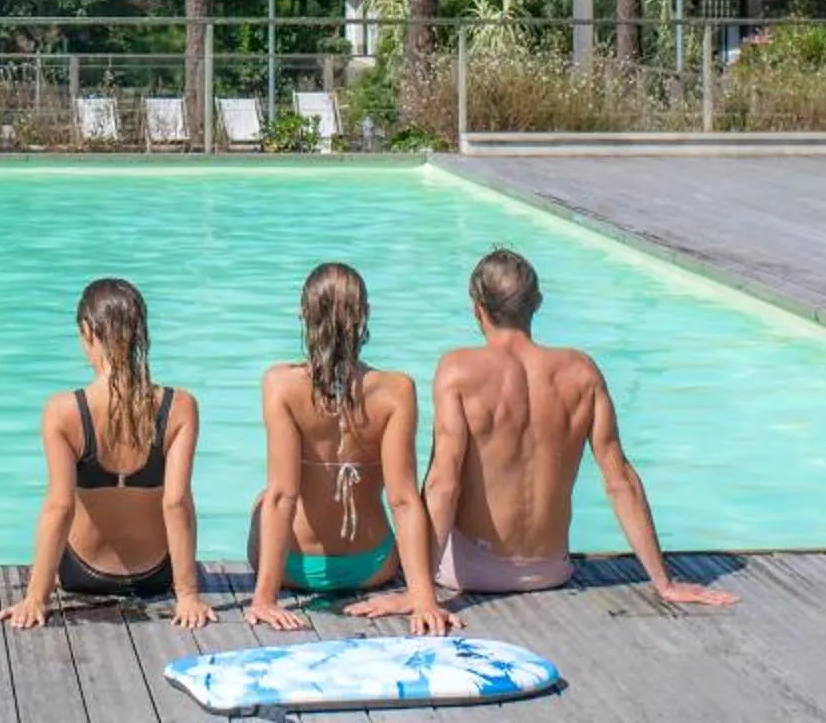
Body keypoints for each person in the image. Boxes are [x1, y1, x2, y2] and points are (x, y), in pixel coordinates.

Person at [374, 246, 737, 612]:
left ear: (477, 308)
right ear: (537, 304)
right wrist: (665, 582)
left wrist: (419, 594)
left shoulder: (458, 370)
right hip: (549, 569)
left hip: (468, 570)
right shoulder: (581, 372)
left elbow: (443, 485)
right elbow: (620, 480)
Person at [242, 262, 460, 635]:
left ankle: (267, 588)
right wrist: (424, 600)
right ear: (365, 317)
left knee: (265, 497)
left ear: (303, 315)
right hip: (373, 566)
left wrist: (264, 599)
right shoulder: (396, 391)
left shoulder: (280, 384)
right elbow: (404, 500)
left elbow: (283, 496)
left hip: (294, 570)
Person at [2, 276, 212, 630]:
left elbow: (60, 506)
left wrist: (36, 597)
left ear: (87, 331)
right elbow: (176, 503)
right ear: (140, 333)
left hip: (82, 573)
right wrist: (187, 594)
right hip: (157, 575)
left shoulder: (64, 411)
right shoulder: (179, 407)